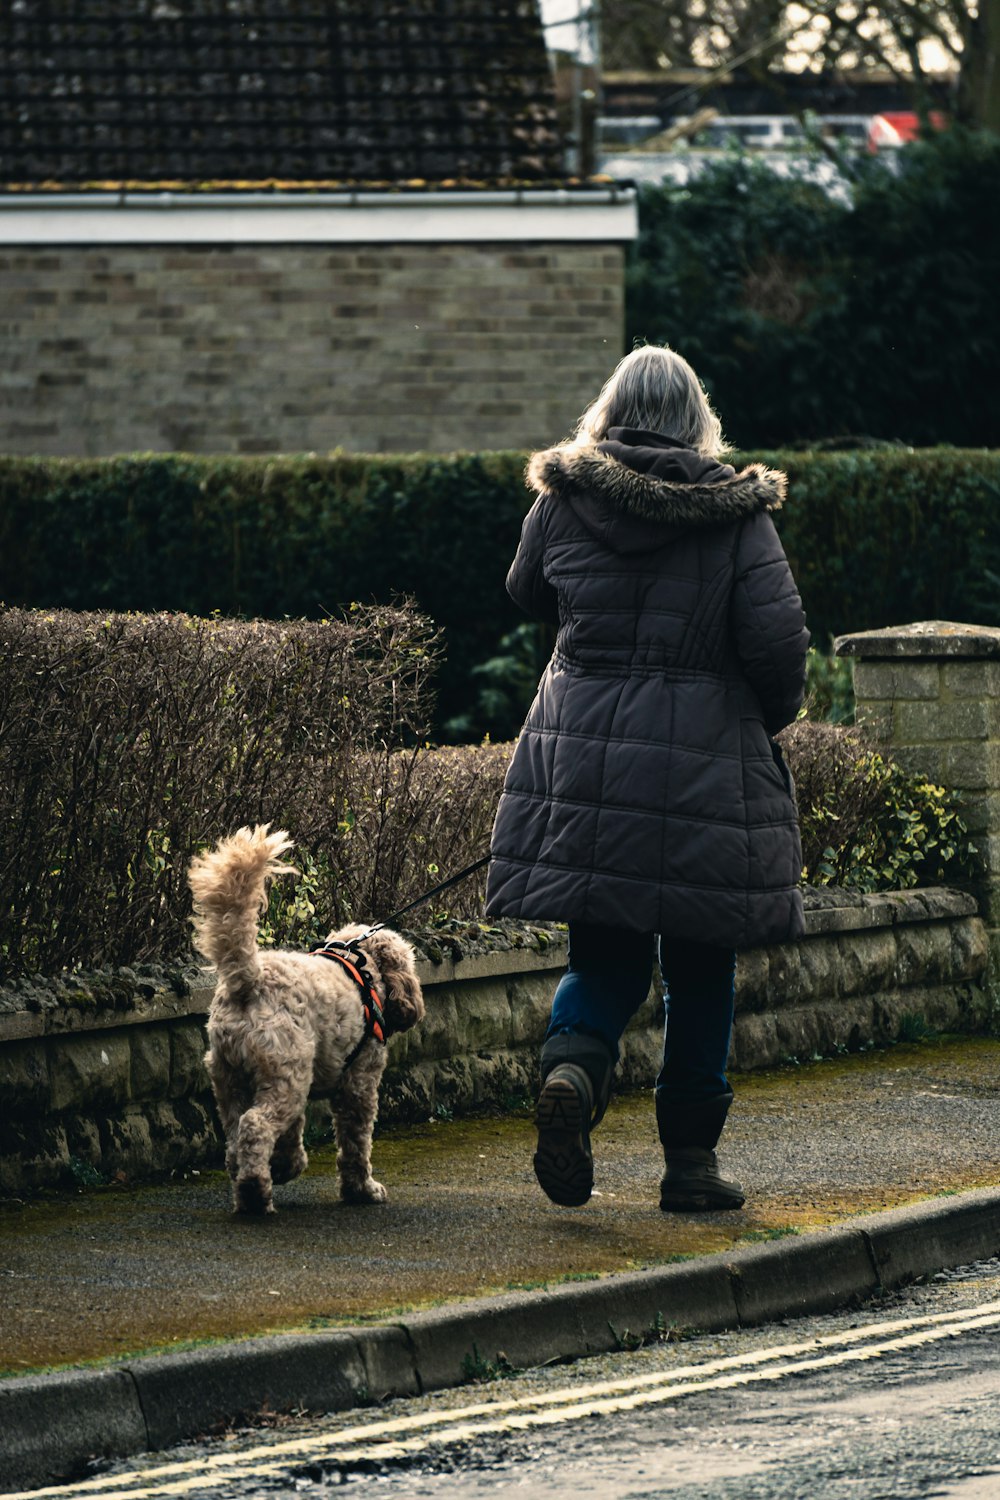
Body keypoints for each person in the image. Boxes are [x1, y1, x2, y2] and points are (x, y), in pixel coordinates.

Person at [485, 344, 809, 1213]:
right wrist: (758, 720)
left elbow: (527, 591)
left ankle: (572, 1072)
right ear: (694, 416)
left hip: (585, 757)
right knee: (702, 967)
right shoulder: (736, 512)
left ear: (610, 407)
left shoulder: (563, 499)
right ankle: (691, 1169)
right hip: (705, 765)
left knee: (605, 952)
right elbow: (778, 648)